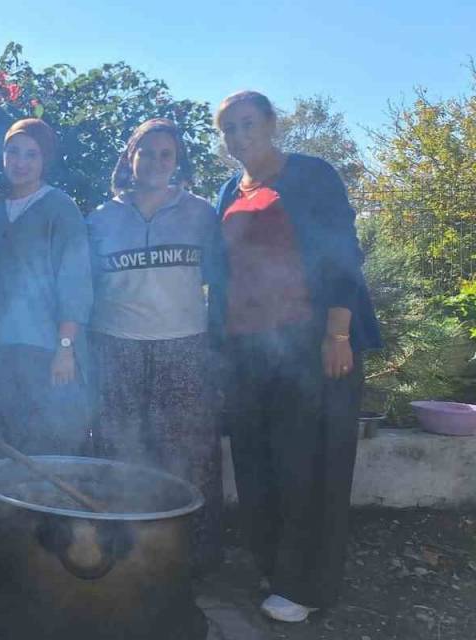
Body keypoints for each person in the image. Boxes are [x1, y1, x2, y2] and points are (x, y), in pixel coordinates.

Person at [208, 91, 381, 623]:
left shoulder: (311, 176)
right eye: (228, 129)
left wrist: (337, 334)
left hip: (309, 345)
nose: (238, 137)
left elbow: (342, 255)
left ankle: (305, 585)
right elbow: (221, 274)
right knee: (258, 462)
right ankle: (273, 566)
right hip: (248, 350)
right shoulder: (225, 191)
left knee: (307, 463)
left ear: (271, 124)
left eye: (247, 124)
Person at [87, 118, 223, 572]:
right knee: (119, 448)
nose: (157, 162)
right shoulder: (101, 218)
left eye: (167, 154)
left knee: (187, 454)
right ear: (131, 158)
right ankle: (120, 549)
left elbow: (221, 278)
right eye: (148, 153)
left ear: (177, 160)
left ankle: (192, 557)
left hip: (183, 345)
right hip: (116, 345)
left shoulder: (201, 213)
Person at [0, 118, 93, 457]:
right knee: (8, 445)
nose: (21, 162)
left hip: (47, 350)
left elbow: (75, 282)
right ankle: (11, 512)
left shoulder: (60, 208)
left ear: (45, 160)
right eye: (13, 152)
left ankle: (51, 512)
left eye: (32, 154)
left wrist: (65, 347)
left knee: (49, 444)